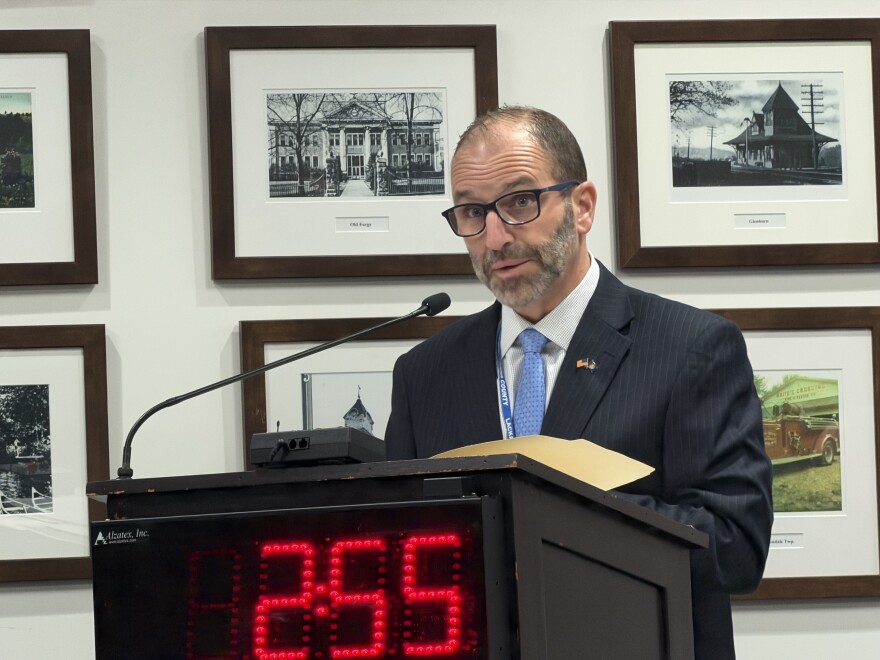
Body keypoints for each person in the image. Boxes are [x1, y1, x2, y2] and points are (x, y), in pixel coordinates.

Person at [384, 106, 773, 659]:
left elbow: (735, 548)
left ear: (582, 206)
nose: (494, 238)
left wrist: (564, 512)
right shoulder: (424, 372)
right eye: (472, 212)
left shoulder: (692, 347)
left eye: (519, 202)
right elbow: (402, 559)